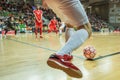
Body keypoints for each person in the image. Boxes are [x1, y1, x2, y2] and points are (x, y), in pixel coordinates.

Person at [42, 0, 92, 78]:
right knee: (87, 28)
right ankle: (60, 55)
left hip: (50, 2)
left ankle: (67, 54)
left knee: (69, 25)